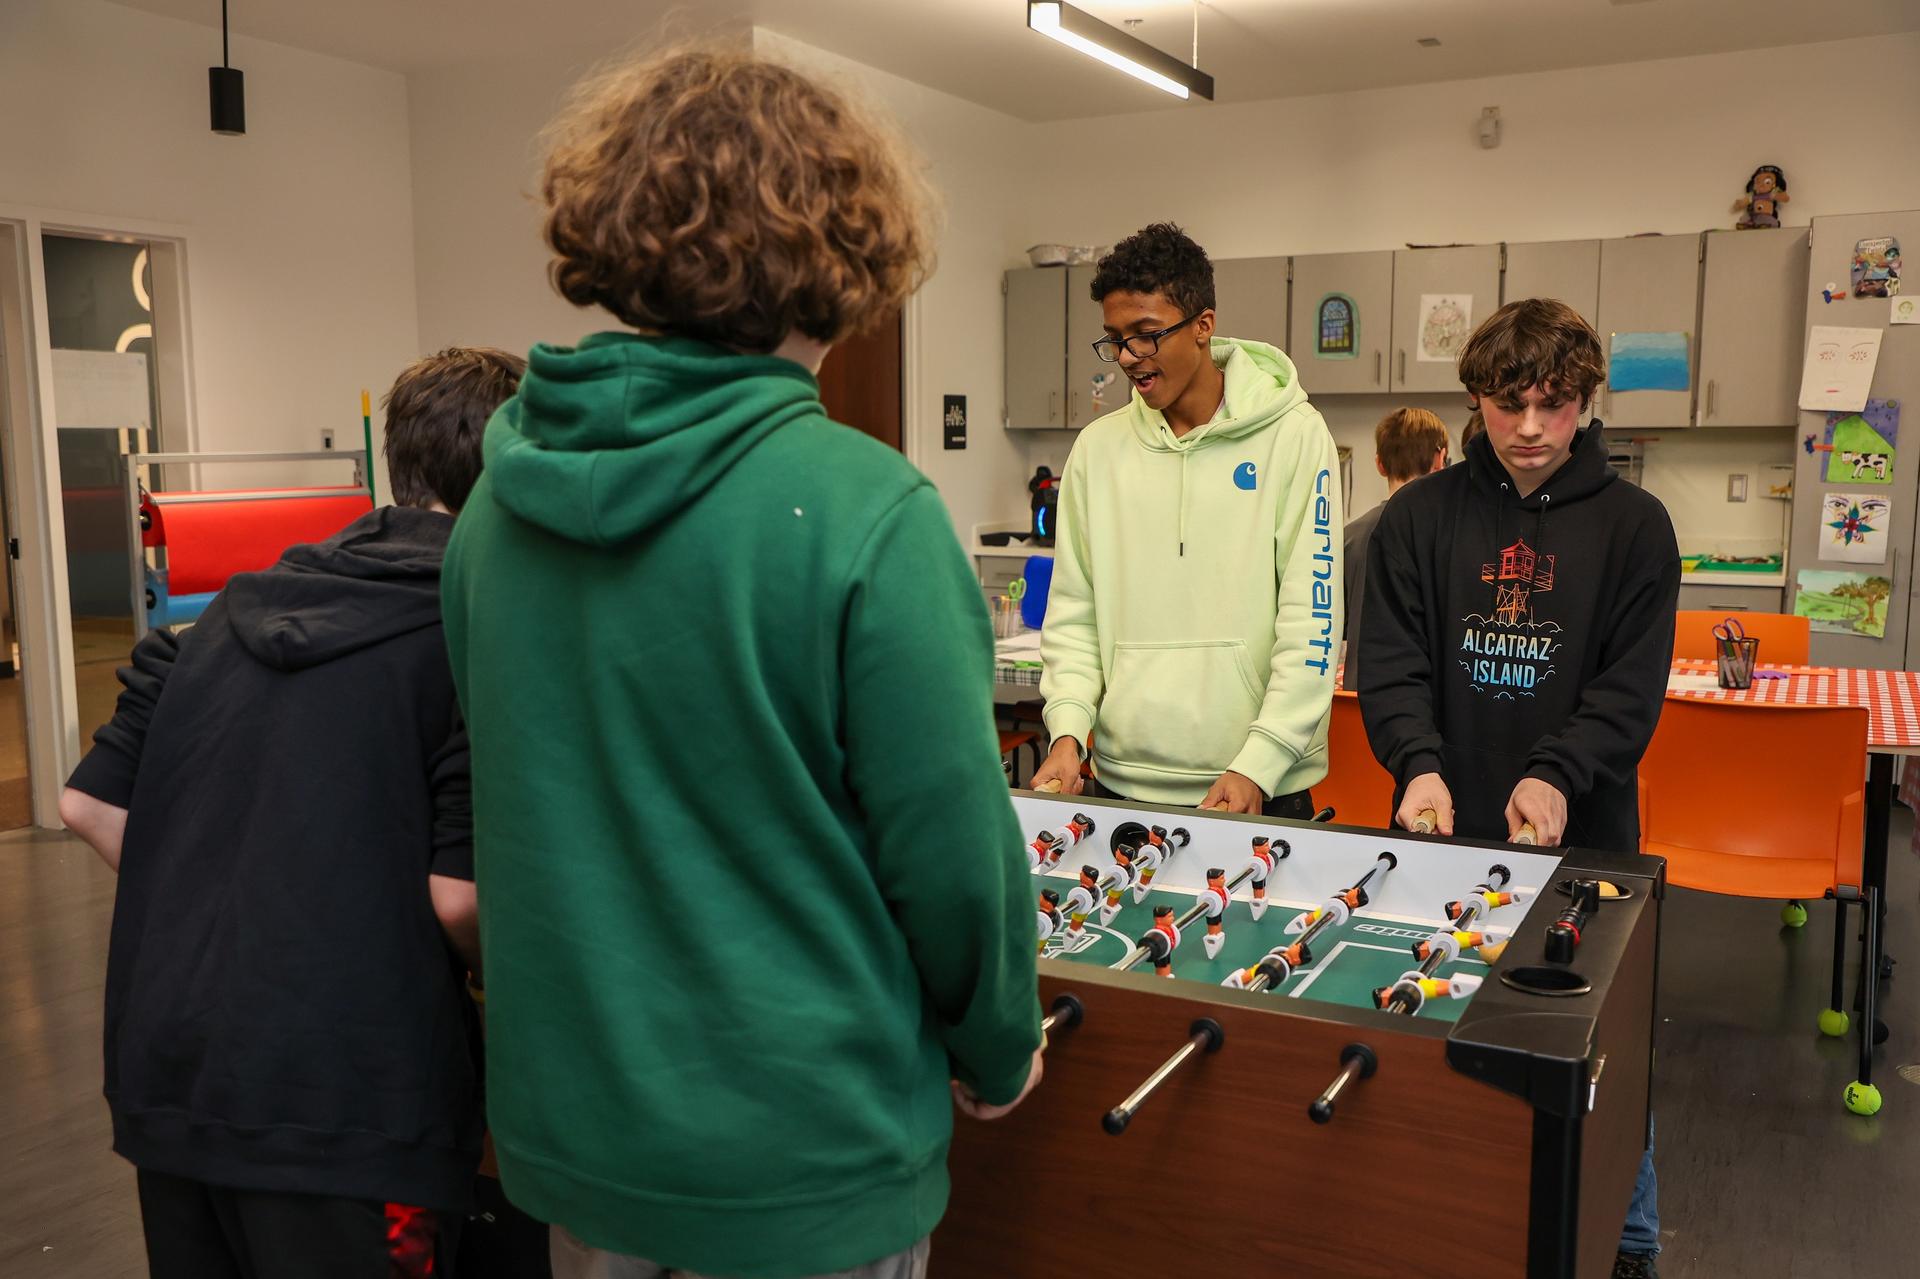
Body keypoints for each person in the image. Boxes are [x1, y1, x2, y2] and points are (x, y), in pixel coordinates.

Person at [439, 47, 1041, 1279]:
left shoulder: (496, 510)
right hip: (804, 1162)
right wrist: (999, 1044)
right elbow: (952, 859)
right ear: (848, 249)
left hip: (583, 1151)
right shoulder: (869, 509)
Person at [58, 346, 525, 1278]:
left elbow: (86, 805)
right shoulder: (472, 632)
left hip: (174, 1075)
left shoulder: (229, 609)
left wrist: (244, 897)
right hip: (346, 1096)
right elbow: (457, 900)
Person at [1355, 298, 1676, 1278]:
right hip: (1442, 840)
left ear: (1585, 401)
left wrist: (1555, 773)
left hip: (1586, 854)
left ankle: (1628, 1248)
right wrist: (1415, 761)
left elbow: (1630, 691)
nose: (1532, 427)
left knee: (1598, 1067)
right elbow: (1394, 665)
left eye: (1556, 402)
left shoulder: (1636, 526)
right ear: (1474, 399)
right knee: (1439, 1053)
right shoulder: (1418, 519)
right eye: (1510, 402)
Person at [1029, 223, 1341, 817]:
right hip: (1119, 789)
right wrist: (1068, 732)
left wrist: (1261, 760)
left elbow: (1313, 624)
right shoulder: (1097, 451)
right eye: (1115, 340)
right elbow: (1073, 614)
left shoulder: (1295, 437)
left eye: (1146, 336)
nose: (1127, 358)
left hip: (1259, 789)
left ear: (1203, 324)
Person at [1342, 406, 1449, 677]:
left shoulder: (1349, 537)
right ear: (1440, 460)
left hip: (1359, 700)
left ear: (1379, 464)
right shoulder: (1448, 535)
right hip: (1422, 704)